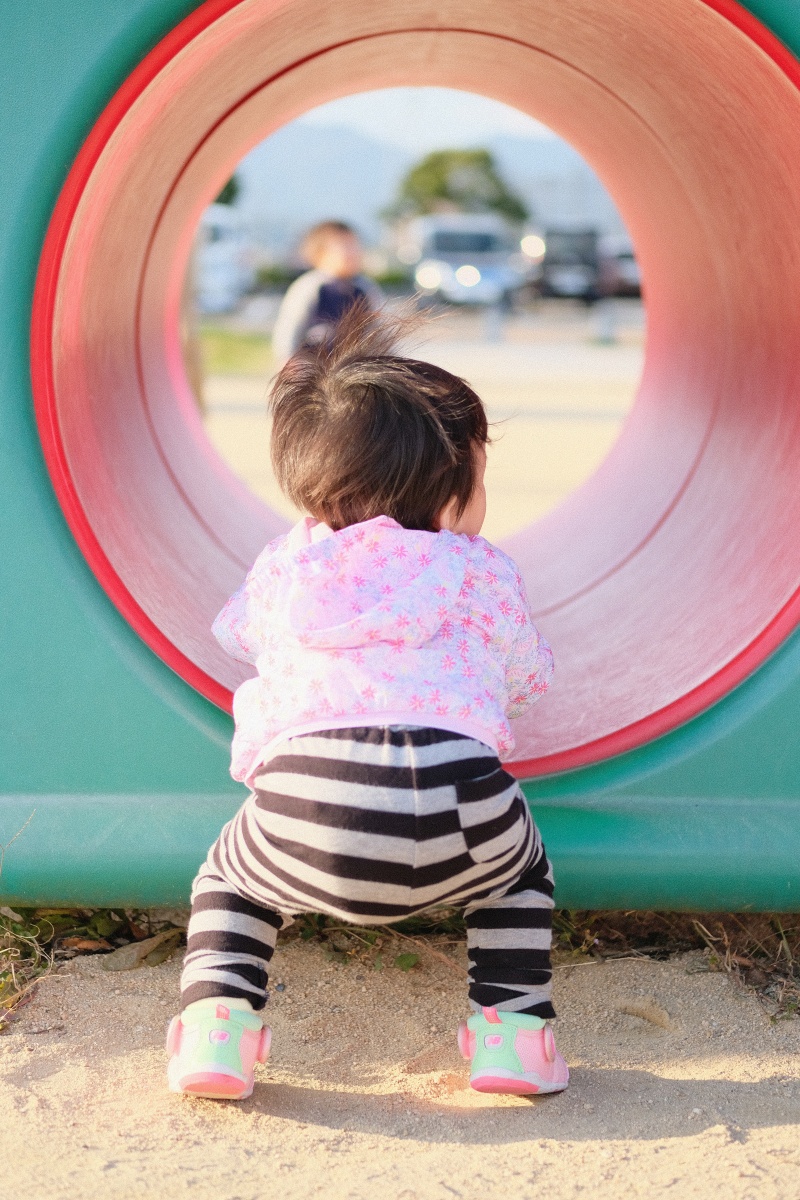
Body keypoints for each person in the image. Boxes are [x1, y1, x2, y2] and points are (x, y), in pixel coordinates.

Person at [166, 305, 569, 1101]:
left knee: (231, 878)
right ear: (453, 497)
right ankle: (514, 1038)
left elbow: (238, 635)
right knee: (518, 878)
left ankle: (218, 1027)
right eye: (479, 479)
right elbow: (525, 674)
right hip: (464, 802)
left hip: (310, 811)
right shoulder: (478, 568)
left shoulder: (284, 566)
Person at [271, 221, 383, 365]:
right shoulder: (310, 286)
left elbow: (379, 329)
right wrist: (287, 360)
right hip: (314, 368)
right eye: (345, 247)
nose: (353, 253)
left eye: (355, 246)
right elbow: (289, 328)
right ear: (320, 254)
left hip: (352, 368)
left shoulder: (365, 288)